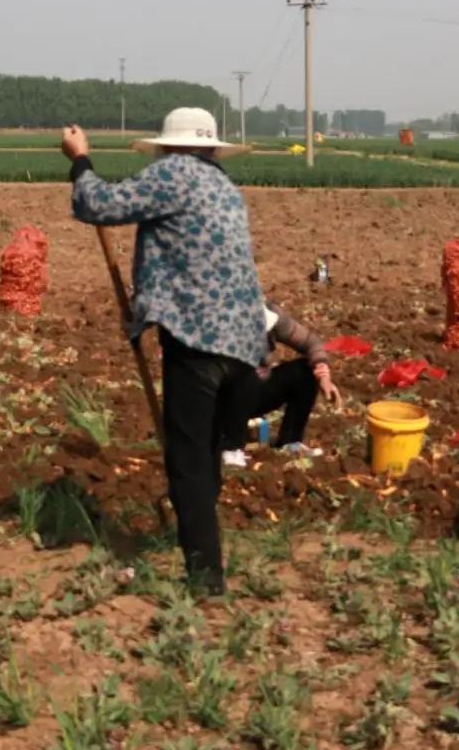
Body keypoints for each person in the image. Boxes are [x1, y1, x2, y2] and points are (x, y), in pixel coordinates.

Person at [63, 108, 266, 596]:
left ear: (171, 147)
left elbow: (98, 205)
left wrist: (80, 159)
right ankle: (200, 540)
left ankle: (205, 577)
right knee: (207, 452)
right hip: (245, 343)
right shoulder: (224, 187)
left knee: (188, 461)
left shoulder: (174, 174)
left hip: (197, 339)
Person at [221, 302, 344, 467]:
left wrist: (323, 374)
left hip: (258, 389)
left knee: (304, 372)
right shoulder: (217, 322)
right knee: (242, 372)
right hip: (224, 398)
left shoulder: (272, 315)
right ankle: (231, 447)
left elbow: (311, 342)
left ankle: (291, 442)